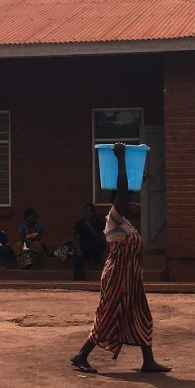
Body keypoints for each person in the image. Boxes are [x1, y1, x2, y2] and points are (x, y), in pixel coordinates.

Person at [70, 142, 171, 373]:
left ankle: (148, 361)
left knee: (142, 316)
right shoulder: (114, 218)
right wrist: (121, 159)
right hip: (117, 279)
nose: (134, 203)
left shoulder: (125, 224)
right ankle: (80, 355)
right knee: (108, 316)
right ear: (120, 202)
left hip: (131, 280)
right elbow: (123, 191)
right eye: (130, 200)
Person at [73, 203, 106, 280]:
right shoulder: (80, 223)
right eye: (87, 212)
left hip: (95, 247)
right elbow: (76, 238)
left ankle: (97, 263)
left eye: (90, 211)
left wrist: (89, 226)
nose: (88, 214)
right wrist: (78, 250)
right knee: (77, 253)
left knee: (101, 243)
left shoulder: (100, 223)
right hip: (84, 247)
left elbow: (99, 238)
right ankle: (79, 278)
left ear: (94, 212)